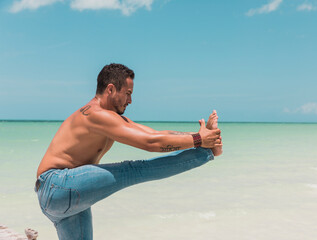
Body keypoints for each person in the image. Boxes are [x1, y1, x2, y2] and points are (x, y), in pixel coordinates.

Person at [35, 63, 223, 240]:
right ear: (110, 89)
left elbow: (155, 134)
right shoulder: (96, 115)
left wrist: (201, 135)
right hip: (56, 185)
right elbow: (150, 143)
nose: (131, 100)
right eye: (128, 93)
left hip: (62, 196)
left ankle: (205, 150)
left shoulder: (111, 118)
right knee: (133, 170)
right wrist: (201, 142)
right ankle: (206, 154)